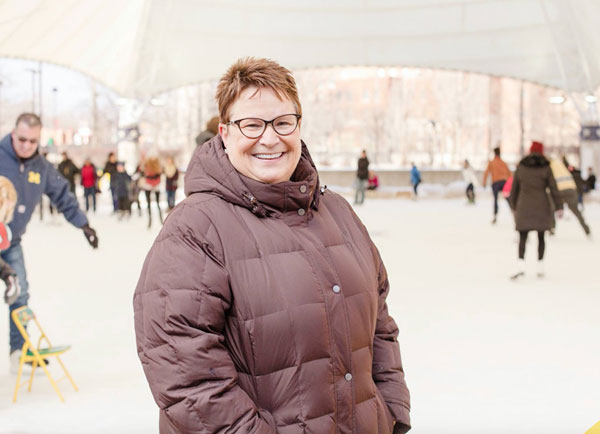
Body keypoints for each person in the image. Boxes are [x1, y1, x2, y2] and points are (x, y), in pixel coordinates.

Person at [134, 57, 411, 434]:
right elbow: (186, 376)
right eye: (251, 124)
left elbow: (379, 326)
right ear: (225, 132)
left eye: (283, 122)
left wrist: (391, 411)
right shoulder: (195, 229)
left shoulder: (339, 212)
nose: (270, 138)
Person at [0, 113, 98, 374]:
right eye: (22, 139)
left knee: (20, 293)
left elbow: (62, 195)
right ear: (13, 134)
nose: (26, 146)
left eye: (32, 141)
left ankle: (18, 350)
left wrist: (83, 224)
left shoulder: (41, 167)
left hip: (11, 243)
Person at [509, 141, 562, 280]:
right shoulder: (546, 167)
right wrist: (559, 206)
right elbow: (553, 187)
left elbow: (514, 188)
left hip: (524, 205)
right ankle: (540, 267)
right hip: (541, 205)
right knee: (541, 237)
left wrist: (513, 205)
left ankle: (520, 266)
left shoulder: (521, 166)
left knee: (522, 237)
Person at [549, 158, 591, 236]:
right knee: (576, 211)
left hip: (559, 190)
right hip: (571, 189)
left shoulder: (550, 166)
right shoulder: (562, 166)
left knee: (552, 209)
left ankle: (552, 228)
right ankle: (586, 229)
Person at [483, 146, 511, 223]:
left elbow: (486, 173)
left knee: (495, 199)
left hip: (495, 183)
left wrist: (484, 183)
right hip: (504, 183)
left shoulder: (491, 162)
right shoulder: (503, 163)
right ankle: (513, 211)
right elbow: (510, 174)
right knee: (508, 198)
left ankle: (495, 216)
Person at [138, 156, 163, 228]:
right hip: (148, 185)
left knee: (158, 204)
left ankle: (161, 219)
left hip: (156, 185)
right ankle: (150, 220)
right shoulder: (146, 165)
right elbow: (141, 172)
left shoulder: (158, 165)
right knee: (149, 204)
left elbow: (158, 174)